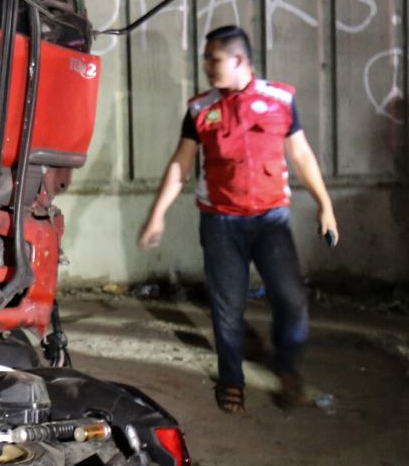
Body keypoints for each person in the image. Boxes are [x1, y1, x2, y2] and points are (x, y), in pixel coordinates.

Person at [136, 25, 339, 413]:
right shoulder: (200, 109)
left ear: (239, 60)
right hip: (220, 223)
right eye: (206, 60)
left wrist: (325, 205)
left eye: (214, 59)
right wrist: (156, 215)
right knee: (227, 306)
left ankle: (287, 368)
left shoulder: (280, 99)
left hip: (270, 221)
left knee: (292, 301)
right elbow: (181, 163)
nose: (207, 67)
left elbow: (301, 155)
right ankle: (231, 379)